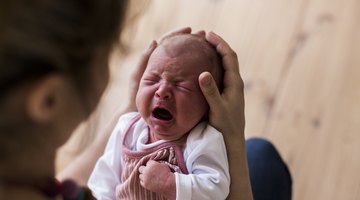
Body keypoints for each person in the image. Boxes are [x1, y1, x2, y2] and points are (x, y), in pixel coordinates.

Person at [0, 0, 291, 199]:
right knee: (261, 158)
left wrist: (131, 107)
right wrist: (234, 145)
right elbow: (105, 174)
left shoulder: (25, 182)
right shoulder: (128, 132)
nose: (162, 90)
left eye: (181, 87)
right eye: (108, 52)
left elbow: (93, 178)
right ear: (49, 99)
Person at [88, 34, 230, 200]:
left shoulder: (202, 140)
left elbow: (216, 189)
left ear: (208, 104)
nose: (162, 91)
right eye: (151, 80)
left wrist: (170, 183)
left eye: (181, 86)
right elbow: (104, 180)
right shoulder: (128, 128)